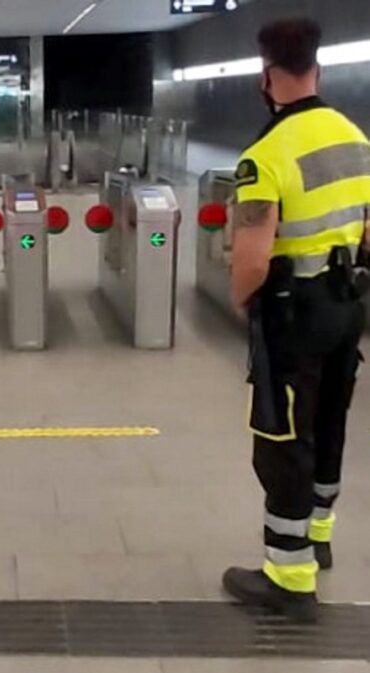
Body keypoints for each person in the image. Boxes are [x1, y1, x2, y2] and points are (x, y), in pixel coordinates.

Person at [223, 18, 370, 623]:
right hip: (346, 306)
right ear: (318, 68)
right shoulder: (354, 137)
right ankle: (319, 535)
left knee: (283, 440)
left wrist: (244, 303)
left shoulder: (264, 156)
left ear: (266, 76)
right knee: (331, 420)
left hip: (292, 316)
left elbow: (252, 262)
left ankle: (289, 576)